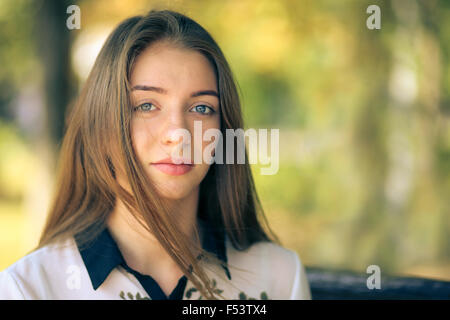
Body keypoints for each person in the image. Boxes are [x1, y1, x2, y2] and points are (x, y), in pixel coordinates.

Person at [0, 9, 311, 300]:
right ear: (101, 125)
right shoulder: (30, 288)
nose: (178, 133)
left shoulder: (279, 277)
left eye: (201, 108)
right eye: (146, 106)